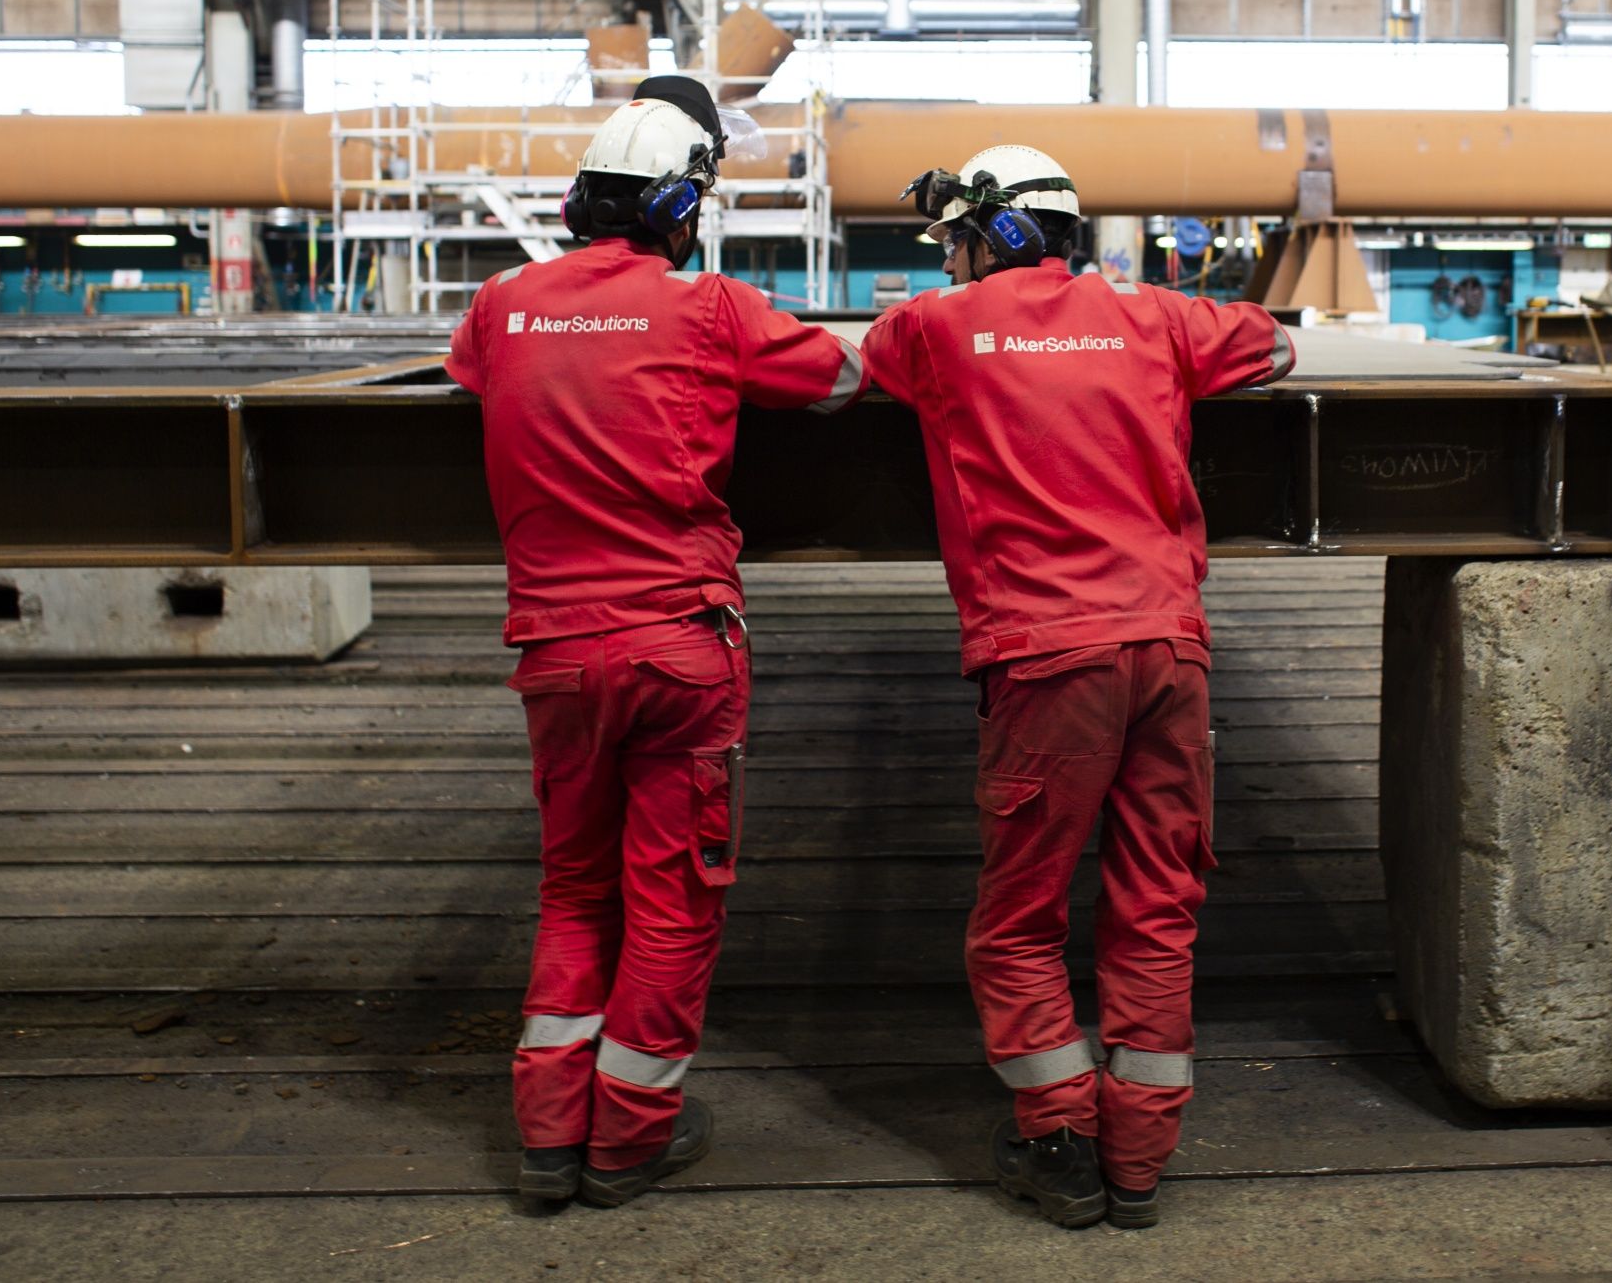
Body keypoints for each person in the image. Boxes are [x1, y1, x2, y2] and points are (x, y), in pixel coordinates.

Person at [444, 75, 864, 1211]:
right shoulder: (710, 307)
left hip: (554, 653)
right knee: (673, 897)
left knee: (575, 889)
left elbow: (473, 376)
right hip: (679, 646)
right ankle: (627, 1136)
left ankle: (548, 1133)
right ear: (682, 209)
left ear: (581, 199)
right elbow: (839, 376)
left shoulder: (497, 306)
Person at [859, 146, 1296, 1231]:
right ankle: (1139, 1162)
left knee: (1017, 916)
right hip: (1167, 649)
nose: (951, 262)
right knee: (1157, 905)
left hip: (1046, 658)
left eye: (956, 240)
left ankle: (1057, 1140)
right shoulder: (1152, 314)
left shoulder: (934, 330)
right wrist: (1129, 317)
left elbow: (860, 361)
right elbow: (1276, 343)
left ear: (987, 238)